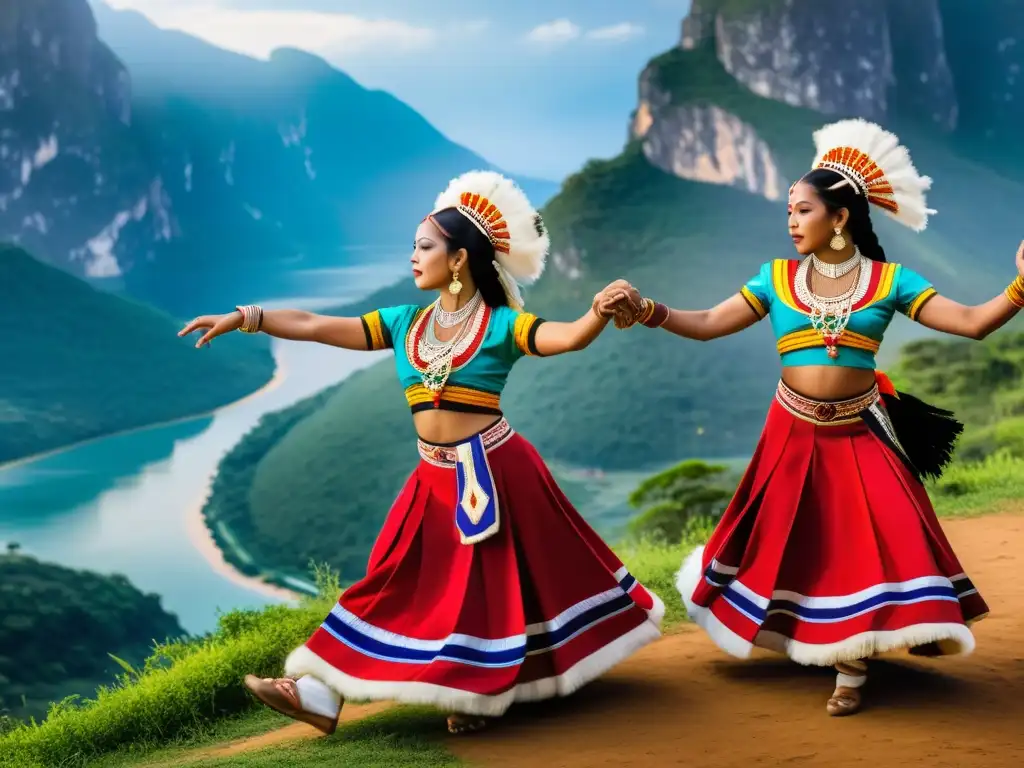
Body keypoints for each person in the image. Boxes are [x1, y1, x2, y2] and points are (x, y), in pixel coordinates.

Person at [178, 170, 664, 736]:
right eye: (413, 246)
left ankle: (474, 694)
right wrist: (245, 318)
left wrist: (601, 309)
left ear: (458, 260)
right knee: (393, 578)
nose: (412, 256)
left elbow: (569, 337)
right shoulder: (404, 323)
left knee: (494, 590)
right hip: (433, 478)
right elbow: (313, 323)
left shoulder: (502, 325)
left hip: (497, 473)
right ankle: (319, 693)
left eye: (424, 246)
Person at [605, 118, 1024, 717]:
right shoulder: (775, 279)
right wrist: (647, 309)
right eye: (789, 212)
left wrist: (1021, 285)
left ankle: (851, 664)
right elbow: (704, 324)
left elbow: (972, 323)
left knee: (868, 542)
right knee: (797, 543)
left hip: (862, 432)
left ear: (841, 217)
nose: (792, 221)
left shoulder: (890, 281)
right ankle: (817, 642)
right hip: (792, 433)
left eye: (802, 210)